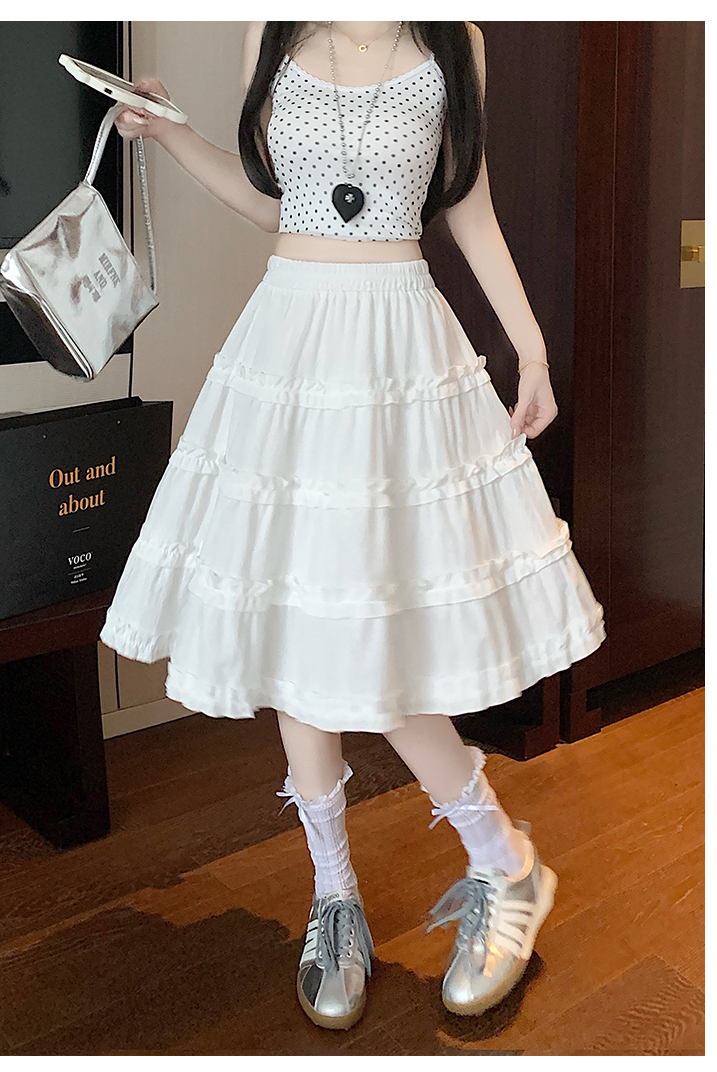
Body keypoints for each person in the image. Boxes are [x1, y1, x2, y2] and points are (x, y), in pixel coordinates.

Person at [100, 21, 606, 1031]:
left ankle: (504, 861)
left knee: (375, 634)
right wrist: (171, 135)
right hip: (290, 341)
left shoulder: (455, 39)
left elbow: (467, 207)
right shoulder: (272, 28)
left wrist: (533, 350)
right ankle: (335, 896)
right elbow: (271, 201)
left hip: (397, 347)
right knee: (301, 627)